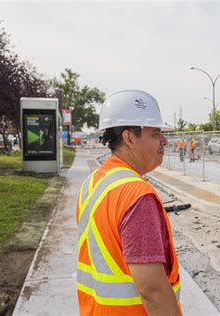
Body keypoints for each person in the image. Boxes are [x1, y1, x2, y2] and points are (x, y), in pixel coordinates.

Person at [76, 90, 181, 315]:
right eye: (155, 134)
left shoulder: (93, 182)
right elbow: (151, 289)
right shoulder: (136, 195)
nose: (164, 141)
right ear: (129, 138)